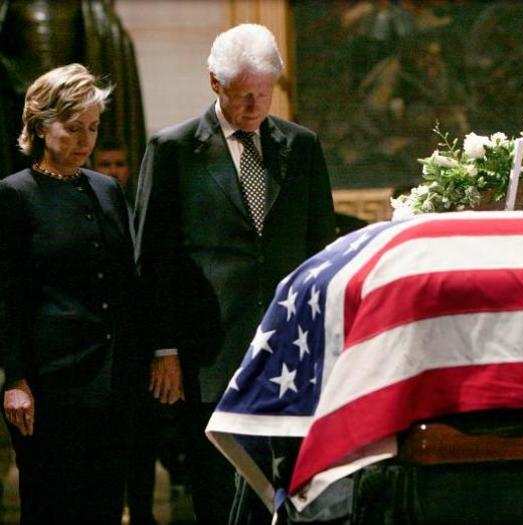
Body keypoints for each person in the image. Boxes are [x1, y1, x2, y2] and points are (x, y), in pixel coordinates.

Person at [134, 23, 336, 523]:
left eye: (264, 94)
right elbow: (152, 259)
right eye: (243, 95)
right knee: (220, 496)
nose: (254, 106)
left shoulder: (302, 147)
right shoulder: (174, 150)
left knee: (292, 492)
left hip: (290, 349)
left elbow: (322, 248)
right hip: (209, 353)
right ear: (214, 83)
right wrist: (164, 349)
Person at [0, 63, 150, 523]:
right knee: (51, 505)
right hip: (50, 385)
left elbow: (125, 283)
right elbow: (8, 297)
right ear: (42, 126)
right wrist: (15, 380)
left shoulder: (106, 190)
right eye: (74, 127)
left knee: (104, 504)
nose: (86, 140)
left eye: (93, 127)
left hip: (111, 381)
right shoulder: (14, 195)